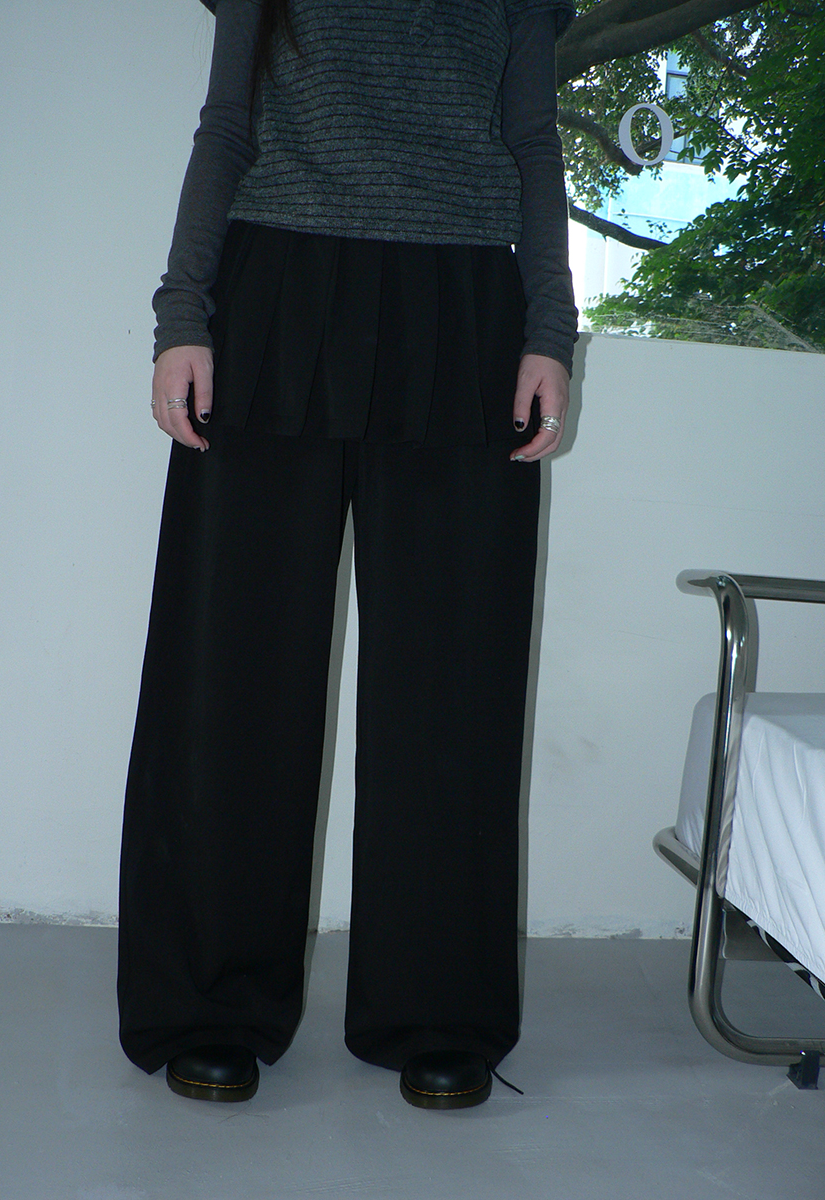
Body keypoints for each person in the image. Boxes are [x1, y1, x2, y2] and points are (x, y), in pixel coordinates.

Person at [118, 0, 577, 1111]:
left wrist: (549, 333)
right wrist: (184, 315)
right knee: (235, 670)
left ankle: (440, 1010)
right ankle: (214, 1003)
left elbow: (533, 142)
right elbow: (227, 126)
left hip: (463, 304)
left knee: (453, 684)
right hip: (274, 294)